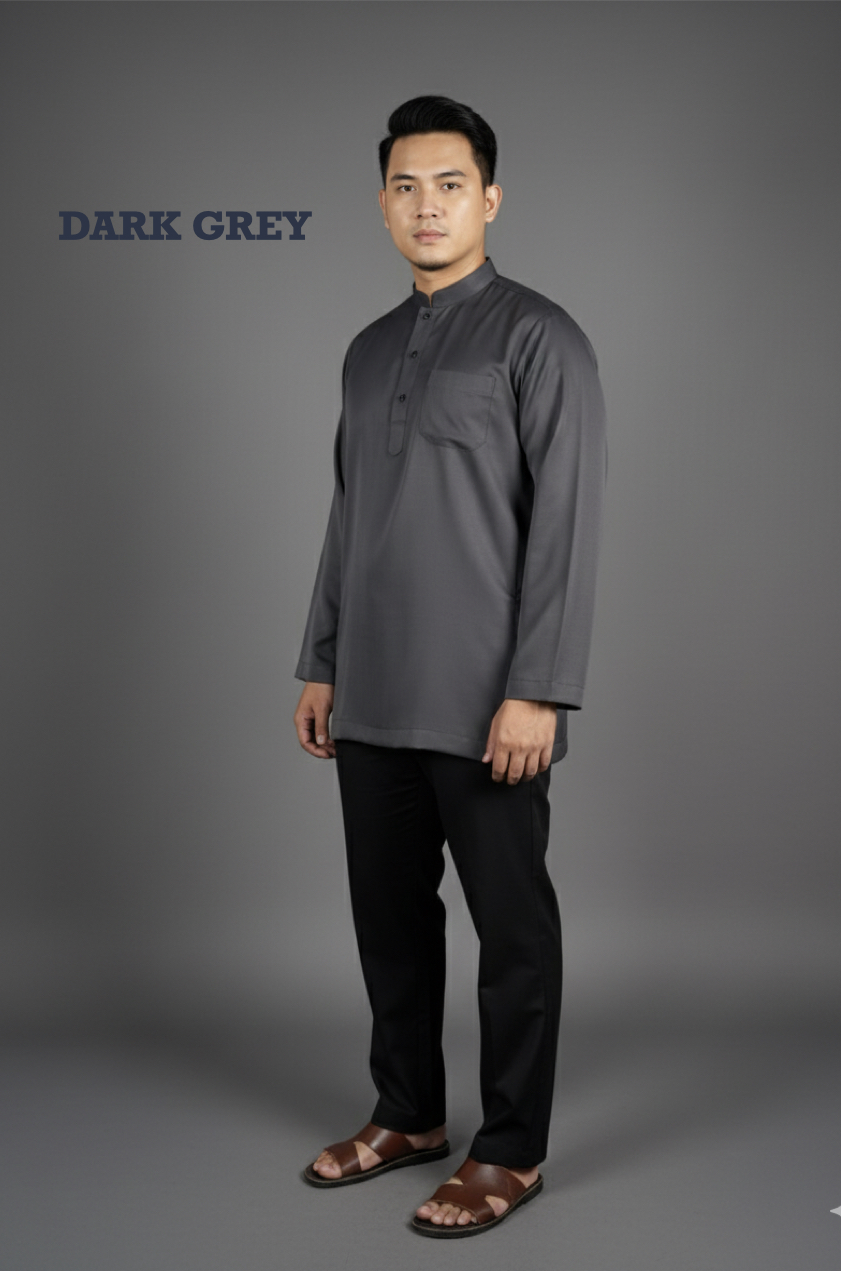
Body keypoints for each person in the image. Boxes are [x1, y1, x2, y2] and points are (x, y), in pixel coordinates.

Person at [292, 95, 607, 1238]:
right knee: (389, 921)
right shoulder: (367, 349)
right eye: (406, 187)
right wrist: (320, 660)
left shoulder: (540, 337)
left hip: (488, 703)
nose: (427, 206)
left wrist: (538, 688)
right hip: (371, 694)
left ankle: (510, 1148)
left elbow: (565, 522)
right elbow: (349, 514)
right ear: (383, 205)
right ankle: (409, 1112)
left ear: (490, 198)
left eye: (450, 184)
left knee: (511, 932)